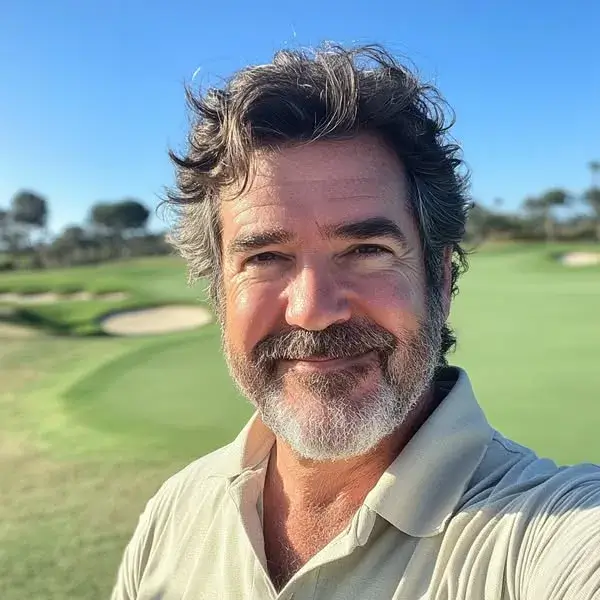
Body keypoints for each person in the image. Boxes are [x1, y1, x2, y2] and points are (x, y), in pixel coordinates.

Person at [111, 44, 600, 600]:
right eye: (265, 258)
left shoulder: (548, 531)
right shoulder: (173, 511)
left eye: (367, 250)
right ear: (220, 293)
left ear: (440, 281)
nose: (313, 310)